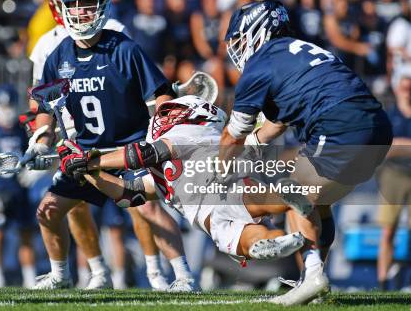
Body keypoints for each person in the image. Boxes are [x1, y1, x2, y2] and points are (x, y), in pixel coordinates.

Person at [219, 0, 393, 305]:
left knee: (293, 189)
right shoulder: (298, 54)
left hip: (340, 123)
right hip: (376, 126)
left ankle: (312, 275)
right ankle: (313, 283)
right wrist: (251, 149)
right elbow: (272, 127)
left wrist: (219, 172)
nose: (237, 47)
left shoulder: (261, 63)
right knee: (319, 202)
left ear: (258, 30)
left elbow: (233, 136)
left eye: (239, 39)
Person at [29, 0, 196, 291]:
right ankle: (60, 274)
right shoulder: (58, 55)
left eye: (87, 6)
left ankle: (184, 275)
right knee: (47, 211)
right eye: (74, 7)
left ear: (101, 9)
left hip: (127, 148)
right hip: (84, 156)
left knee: (147, 207)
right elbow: (44, 105)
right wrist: (42, 137)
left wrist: (162, 132)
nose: (80, 13)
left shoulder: (124, 49)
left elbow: (160, 95)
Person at [57, 95, 308, 263]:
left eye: (168, 112)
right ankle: (279, 233)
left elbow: (144, 154)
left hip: (215, 196)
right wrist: (87, 173)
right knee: (253, 239)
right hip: (215, 208)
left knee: (247, 214)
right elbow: (127, 193)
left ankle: (283, 206)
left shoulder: (189, 133)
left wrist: (91, 162)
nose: (162, 117)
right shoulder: (175, 156)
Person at [0, 84, 37, 288]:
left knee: (25, 234)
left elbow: (35, 156)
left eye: (9, 106)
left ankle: (30, 278)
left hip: (20, 191)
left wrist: (33, 171)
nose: (6, 111)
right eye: (2, 107)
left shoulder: (23, 132)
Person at [376, 68, 411, 290]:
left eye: (410, 88)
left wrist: (401, 146)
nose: (407, 92)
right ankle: (383, 280)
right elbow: (388, 148)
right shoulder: (389, 115)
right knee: (388, 230)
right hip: (393, 175)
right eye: (404, 87)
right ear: (397, 89)